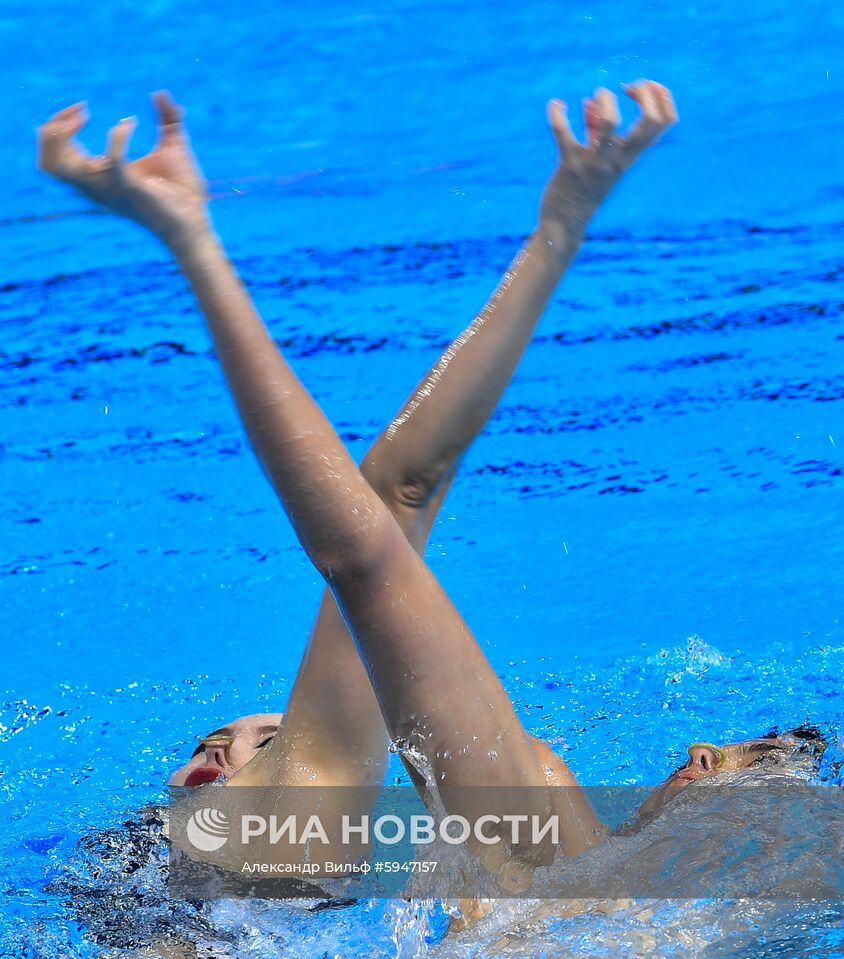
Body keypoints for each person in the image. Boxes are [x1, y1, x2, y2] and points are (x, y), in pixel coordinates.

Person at [43, 80, 770, 880]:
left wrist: (195, 246)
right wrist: (558, 230)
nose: (222, 755)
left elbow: (390, 508)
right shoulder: (542, 870)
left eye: (273, 743)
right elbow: (396, 497)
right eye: (222, 748)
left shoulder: (313, 840)